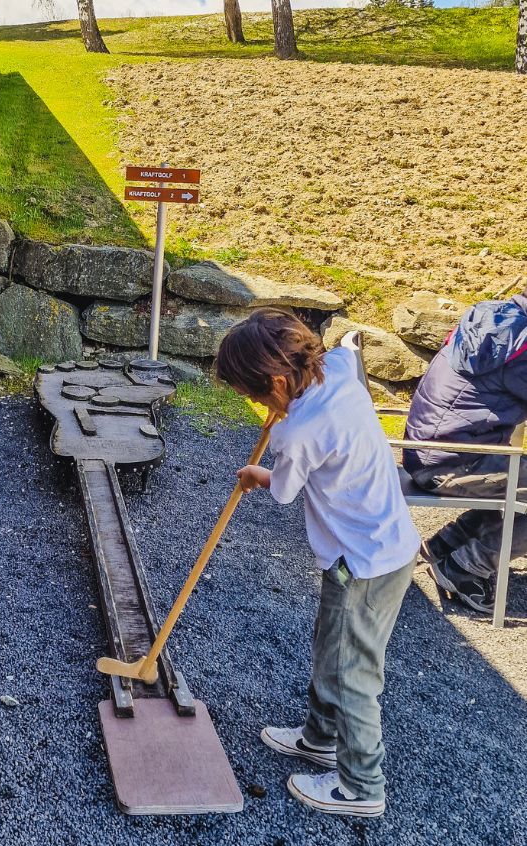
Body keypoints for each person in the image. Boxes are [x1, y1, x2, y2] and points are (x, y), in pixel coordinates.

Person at [216, 309, 419, 818]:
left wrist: (256, 472)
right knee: (331, 646)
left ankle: (361, 785)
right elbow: (344, 353)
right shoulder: (343, 374)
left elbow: (284, 491)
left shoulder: (299, 431)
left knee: (354, 671)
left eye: (255, 395)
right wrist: (284, 408)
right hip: (372, 548)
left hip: (367, 563)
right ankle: (319, 738)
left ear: (279, 381)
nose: (257, 406)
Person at [403, 291, 527, 614]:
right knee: (520, 477)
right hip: (452, 461)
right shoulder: (522, 345)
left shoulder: (497, 320)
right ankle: (465, 568)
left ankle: (446, 545)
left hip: (424, 449)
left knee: (517, 475)